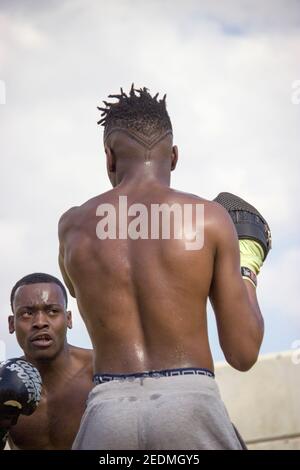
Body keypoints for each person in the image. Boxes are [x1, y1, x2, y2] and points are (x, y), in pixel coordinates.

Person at [58, 85, 271, 450]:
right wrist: (247, 267)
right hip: (190, 403)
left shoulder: (72, 226)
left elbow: (79, 292)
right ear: (173, 156)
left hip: (108, 411)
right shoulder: (209, 220)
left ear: (109, 158)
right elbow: (243, 353)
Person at [1, 272, 93, 450]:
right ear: (12, 324)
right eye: (27, 313)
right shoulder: (2, 381)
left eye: (52, 311)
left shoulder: (100, 372)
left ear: (68, 319)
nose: (40, 322)